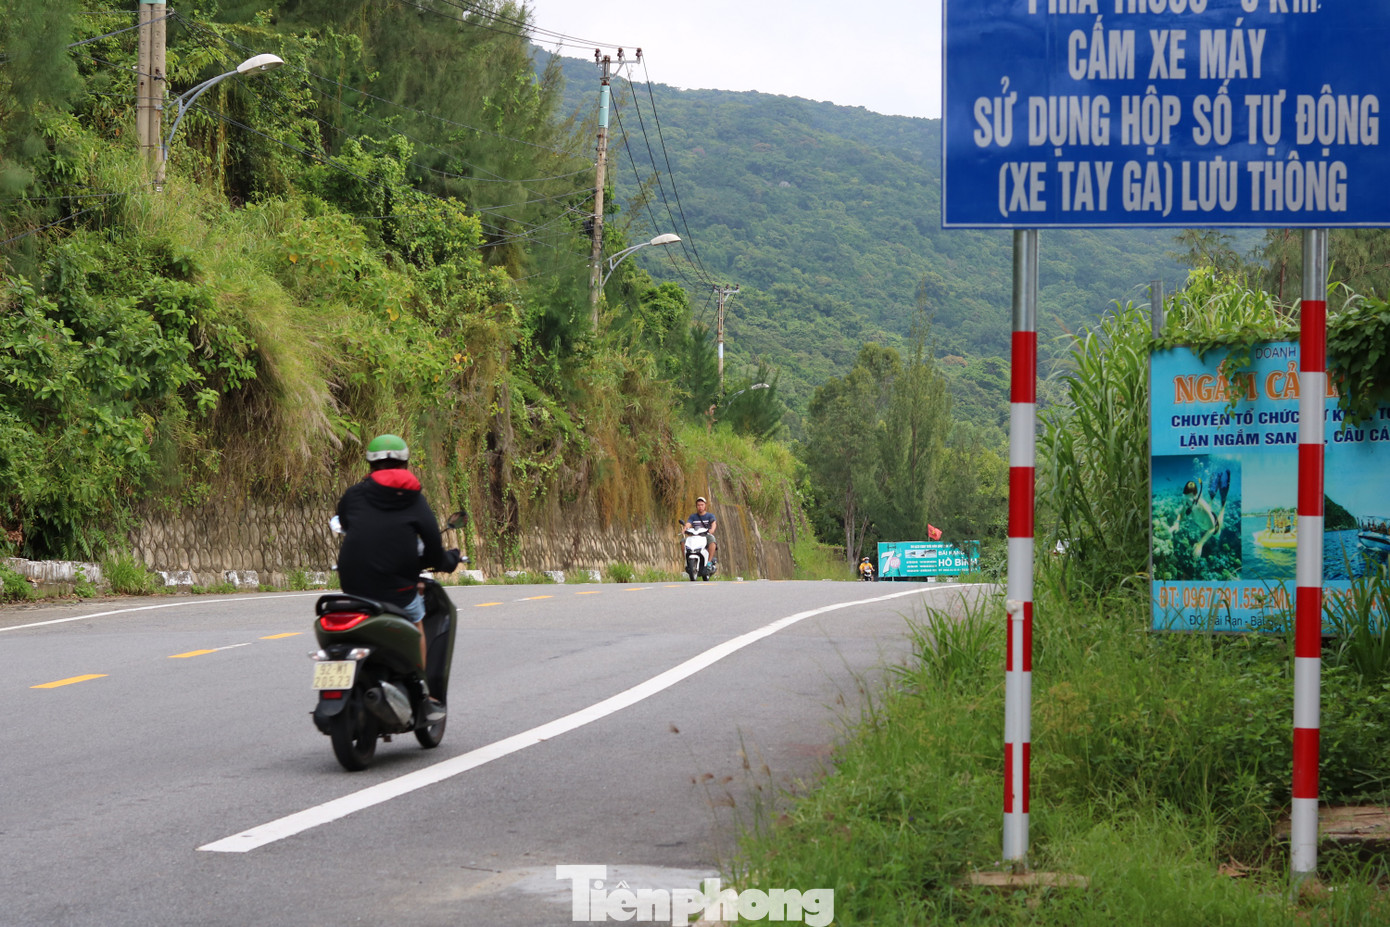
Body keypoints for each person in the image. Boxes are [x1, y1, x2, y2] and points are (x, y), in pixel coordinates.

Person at [335, 434, 460, 724]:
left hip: (352, 586)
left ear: (370, 463)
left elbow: (345, 523)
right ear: (405, 461)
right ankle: (423, 691)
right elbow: (432, 550)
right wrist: (449, 559)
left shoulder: (354, 495)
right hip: (399, 589)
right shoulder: (415, 500)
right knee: (417, 619)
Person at [1168, 470, 1231, 558]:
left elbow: (1212, 529)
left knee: (1218, 532)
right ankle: (1212, 496)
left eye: (1188, 501)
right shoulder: (1187, 502)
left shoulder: (1203, 508)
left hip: (1214, 525)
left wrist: (1200, 544)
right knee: (1208, 506)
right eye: (1184, 499)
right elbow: (1181, 514)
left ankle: (1223, 504)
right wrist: (1177, 523)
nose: (1186, 504)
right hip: (1203, 521)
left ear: (1196, 497)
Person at [684, 496, 718, 564]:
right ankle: (686, 561)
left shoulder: (710, 516)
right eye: (698, 505)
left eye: (702, 505)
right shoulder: (693, 516)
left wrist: (712, 530)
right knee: (683, 542)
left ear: (705, 505)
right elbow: (688, 523)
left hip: (706, 535)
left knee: (712, 542)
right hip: (695, 536)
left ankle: (709, 562)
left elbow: (714, 524)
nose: (700, 507)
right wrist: (685, 528)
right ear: (696, 506)